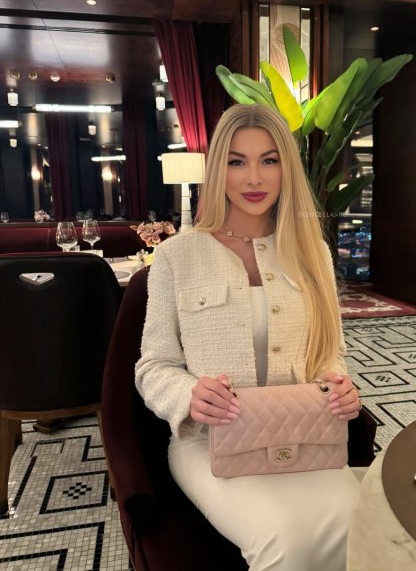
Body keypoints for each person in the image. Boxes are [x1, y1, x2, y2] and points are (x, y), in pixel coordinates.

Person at [135, 103, 362, 571]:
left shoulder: (313, 253)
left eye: (269, 160)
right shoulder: (178, 256)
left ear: (286, 168)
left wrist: (338, 386)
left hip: (304, 435)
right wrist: (189, 395)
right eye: (237, 161)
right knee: (285, 542)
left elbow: (331, 352)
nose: (254, 178)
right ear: (219, 169)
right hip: (210, 442)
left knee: (360, 527)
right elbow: (152, 366)